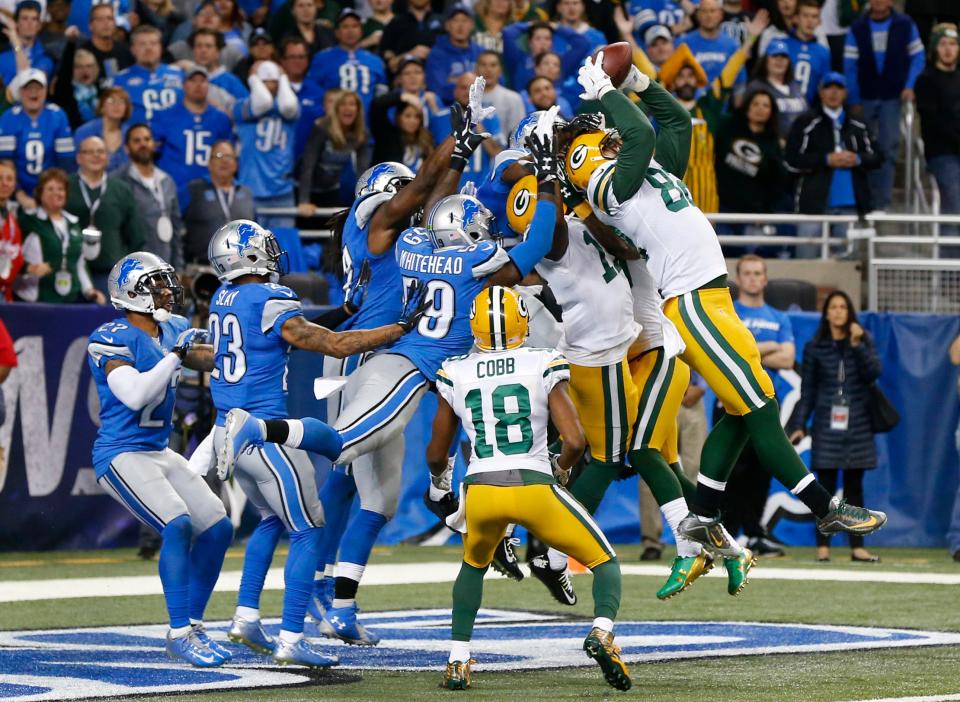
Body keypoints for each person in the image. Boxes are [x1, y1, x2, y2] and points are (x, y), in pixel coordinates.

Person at [219, 103, 558, 646]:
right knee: (339, 471)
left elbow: (433, 198)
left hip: (393, 348)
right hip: (367, 351)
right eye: (404, 200)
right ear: (384, 199)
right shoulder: (378, 229)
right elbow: (427, 190)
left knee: (379, 497)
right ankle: (316, 590)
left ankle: (342, 600)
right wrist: (460, 146)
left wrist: (461, 153)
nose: (416, 210)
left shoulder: (408, 242)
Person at [567, 50, 887, 561]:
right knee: (759, 406)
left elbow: (675, 122)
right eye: (599, 138)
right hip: (692, 304)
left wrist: (636, 80)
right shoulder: (607, 189)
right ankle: (825, 505)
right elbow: (643, 135)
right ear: (585, 161)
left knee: (745, 407)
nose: (610, 134)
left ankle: (704, 513)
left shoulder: (641, 172)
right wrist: (609, 92)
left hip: (714, 299)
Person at [204, 219, 427, 665]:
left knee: (270, 521)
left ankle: (246, 617)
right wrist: (398, 329)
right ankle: (291, 638)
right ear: (247, 256)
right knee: (309, 529)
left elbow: (298, 332)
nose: (272, 253)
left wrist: (347, 308)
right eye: (264, 248)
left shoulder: (223, 297)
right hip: (264, 435)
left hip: (224, 428)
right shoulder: (269, 299)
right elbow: (334, 345)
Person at [511, 167, 732, 600]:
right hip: (614, 356)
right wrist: (557, 187)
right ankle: (700, 543)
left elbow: (620, 240)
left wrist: (572, 193)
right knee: (623, 457)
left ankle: (713, 541)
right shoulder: (577, 228)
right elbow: (558, 235)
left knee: (624, 456)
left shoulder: (616, 222)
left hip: (644, 356)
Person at [426, 285, 630, 693]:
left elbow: (436, 451)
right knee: (604, 562)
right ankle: (602, 632)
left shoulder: (456, 369)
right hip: (532, 483)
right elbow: (574, 439)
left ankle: (457, 659)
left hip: (482, 490)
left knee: (473, 566)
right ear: (523, 321)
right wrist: (562, 469)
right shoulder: (543, 360)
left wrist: (439, 482)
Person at [86, 251, 232, 664]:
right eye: (158, 285)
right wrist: (177, 356)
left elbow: (209, 357)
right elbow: (134, 393)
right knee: (178, 523)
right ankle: (178, 632)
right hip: (120, 453)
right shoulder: (111, 335)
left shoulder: (174, 330)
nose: (168, 292)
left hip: (157, 450)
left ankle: (195, 626)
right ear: (134, 293)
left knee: (218, 526)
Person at [788, 291, 883, 563]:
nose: (839, 312)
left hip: (859, 423)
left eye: (844, 307)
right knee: (825, 486)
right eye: (834, 307)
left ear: (850, 312)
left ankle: (858, 547)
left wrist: (857, 344)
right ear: (827, 313)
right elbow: (809, 390)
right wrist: (799, 424)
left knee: (855, 487)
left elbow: (874, 373)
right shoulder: (815, 346)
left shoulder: (863, 340)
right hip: (826, 424)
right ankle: (823, 547)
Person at [721, 255, 795, 557]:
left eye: (758, 273)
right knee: (730, 470)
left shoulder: (780, 317)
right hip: (732, 402)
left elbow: (788, 358)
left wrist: (750, 351)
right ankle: (725, 533)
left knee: (762, 470)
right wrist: (768, 347)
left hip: (766, 402)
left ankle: (754, 534)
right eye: (747, 273)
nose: (753, 278)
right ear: (738, 279)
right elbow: (728, 353)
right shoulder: (728, 312)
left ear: (765, 279)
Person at [785, 72, 881, 256]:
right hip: (812, 205)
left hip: (850, 207)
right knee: (806, 261)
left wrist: (857, 159)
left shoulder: (859, 124)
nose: (833, 93)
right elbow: (791, 160)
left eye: (839, 88)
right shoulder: (806, 122)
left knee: (849, 268)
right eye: (828, 87)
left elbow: (878, 157)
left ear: (845, 93)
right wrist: (826, 159)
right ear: (820, 92)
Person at [842, 0, 925, 211]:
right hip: (866, 98)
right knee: (862, 150)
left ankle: (883, 204)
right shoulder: (857, 26)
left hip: (892, 97)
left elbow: (918, 58)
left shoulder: (905, 24)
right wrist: (854, 100)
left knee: (888, 149)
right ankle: (865, 203)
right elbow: (849, 66)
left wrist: (910, 85)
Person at [66, 136, 144, 292]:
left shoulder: (121, 189)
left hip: (110, 275)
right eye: (89, 152)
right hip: (71, 272)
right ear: (79, 158)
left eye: (100, 151)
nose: (96, 156)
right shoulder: (65, 186)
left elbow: (136, 235)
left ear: (107, 157)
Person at [16, 168, 104, 304]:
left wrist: (90, 290)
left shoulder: (73, 222)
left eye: (61, 189)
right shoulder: (28, 220)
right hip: (34, 300)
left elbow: (79, 263)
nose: (56, 193)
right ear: (40, 193)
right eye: (50, 189)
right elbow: (12, 255)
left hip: (69, 300)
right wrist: (29, 268)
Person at [152, 65, 234, 206]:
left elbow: (228, 155)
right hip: (173, 191)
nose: (198, 85)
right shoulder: (164, 116)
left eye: (202, 81)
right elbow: (153, 155)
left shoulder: (221, 119)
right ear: (183, 85)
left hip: (211, 193)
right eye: (193, 80)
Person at [234, 60, 299, 231]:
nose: (270, 85)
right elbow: (262, 103)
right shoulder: (241, 106)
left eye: (274, 81)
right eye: (265, 81)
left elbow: (289, 106)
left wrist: (284, 77)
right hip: (251, 189)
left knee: (282, 246)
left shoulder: (289, 104)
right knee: (249, 249)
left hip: (282, 190)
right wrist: (254, 79)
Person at [714, 86, 788, 234]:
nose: (760, 109)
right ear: (747, 107)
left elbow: (776, 183)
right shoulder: (727, 127)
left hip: (753, 214)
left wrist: (767, 213)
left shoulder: (773, 143)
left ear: (771, 112)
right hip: (722, 208)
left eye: (765, 105)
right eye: (755, 104)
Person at [0, 68, 75, 208]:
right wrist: (18, 193)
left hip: (50, 191)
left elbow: (66, 162)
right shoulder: (9, 117)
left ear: (46, 90)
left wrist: (54, 192)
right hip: (16, 193)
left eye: (38, 88)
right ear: (20, 92)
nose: (33, 93)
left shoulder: (58, 115)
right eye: (28, 88)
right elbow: (6, 162)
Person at [118, 124, 185, 271]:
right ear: (126, 148)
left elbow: (176, 229)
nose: (143, 144)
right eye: (137, 141)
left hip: (164, 266)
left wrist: (178, 268)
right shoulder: (118, 181)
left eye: (147, 139)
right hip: (133, 268)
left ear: (153, 144)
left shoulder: (167, 181)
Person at [916, 23, 960, 238]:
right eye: (943, 44)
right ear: (934, 48)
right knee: (955, 207)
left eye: (953, 44)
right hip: (943, 154)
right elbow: (935, 122)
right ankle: (950, 270)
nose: (948, 49)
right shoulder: (926, 80)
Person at [183, 140, 255, 264]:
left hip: (239, 268)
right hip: (201, 268)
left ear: (236, 164)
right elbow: (176, 226)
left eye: (228, 157)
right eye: (218, 156)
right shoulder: (193, 190)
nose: (224, 161)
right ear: (209, 163)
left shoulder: (246, 194)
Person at [426, 73, 503, 188]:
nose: (468, 93)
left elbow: (497, 153)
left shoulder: (491, 117)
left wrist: (476, 121)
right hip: (448, 188)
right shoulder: (438, 119)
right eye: (463, 88)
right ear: (455, 91)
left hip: (481, 190)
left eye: (473, 89)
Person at [298, 90, 370, 210]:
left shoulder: (361, 134)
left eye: (352, 104)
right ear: (336, 109)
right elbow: (308, 165)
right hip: (307, 189)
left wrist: (365, 200)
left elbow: (362, 170)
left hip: (331, 189)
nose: (347, 108)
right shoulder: (321, 127)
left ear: (358, 109)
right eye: (343, 104)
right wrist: (304, 200)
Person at [306, 9, 386, 114]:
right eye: (345, 26)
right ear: (337, 32)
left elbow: (382, 95)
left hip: (367, 125)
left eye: (355, 26)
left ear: (361, 31)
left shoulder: (375, 61)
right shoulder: (321, 59)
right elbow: (312, 92)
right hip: (332, 123)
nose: (350, 31)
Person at [110, 25, 183, 123]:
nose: (148, 48)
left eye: (153, 43)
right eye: (142, 44)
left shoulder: (180, 75)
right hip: (137, 135)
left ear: (160, 48)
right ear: (133, 50)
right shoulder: (120, 80)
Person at [501, 20, 592, 93]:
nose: (543, 42)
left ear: (551, 43)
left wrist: (557, 27)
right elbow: (508, 34)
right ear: (529, 42)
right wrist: (530, 25)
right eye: (538, 38)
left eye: (547, 38)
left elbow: (583, 44)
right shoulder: (518, 60)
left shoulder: (559, 63)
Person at [677, 0, 745, 89]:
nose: (708, 15)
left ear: (721, 14)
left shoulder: (733, 45)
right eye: (704, 11)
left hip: (723, 101)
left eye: (712, 11)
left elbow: (739, 84)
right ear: (698, 15)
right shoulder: (682, 44)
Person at [749, 39, 808, 138]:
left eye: (783, 57)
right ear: (766, 60)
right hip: (771, 145)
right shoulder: (756, 87)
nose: (779, 60)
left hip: (798, 145)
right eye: (775, 56)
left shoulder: (796, 87)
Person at [425, 4, 481, 106]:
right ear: (447, 25)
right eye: (455, 20)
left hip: (480, 107)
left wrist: (455, 80)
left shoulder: (480, 52)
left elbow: (495, 82)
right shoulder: (437, 54)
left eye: (464, 21)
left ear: (472, 25)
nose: (460, 26)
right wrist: (472, 83)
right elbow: (438, 89)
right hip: (449, 108)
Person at [369, 91, 434, 172]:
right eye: (407, 116)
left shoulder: (426, 141)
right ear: (398, 117)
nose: (412, 121)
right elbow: (377, 105)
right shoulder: (387, 137)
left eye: (417, 116)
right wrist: (402, 96)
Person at [74, 87, 132, 173]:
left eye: (121, 102)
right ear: (102, 106)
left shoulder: (131, 133)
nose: (117, 105)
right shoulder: (85, 132)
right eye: (111, 101)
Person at [190, 28, 249, 111]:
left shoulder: (232, 82)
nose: (203, 50)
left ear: (218, 52)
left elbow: (246, 112)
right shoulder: (183, 78)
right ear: (193, 50)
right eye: (199, 46)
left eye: (208, 46)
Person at [379, 0, 443, 76]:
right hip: (404, 81)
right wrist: (410, 55)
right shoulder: (395, 23)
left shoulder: (444, 22)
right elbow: (390, 65)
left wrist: (433, 54)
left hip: (439, 79)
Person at [784, 0, 830, 103]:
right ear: (796, 18)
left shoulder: (823, 52)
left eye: (814, 17)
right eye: (805, 16)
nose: (810, 21)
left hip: (808, 112)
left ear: (819, 21)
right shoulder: (781, 45)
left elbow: (823, 87)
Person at [0, 1, 54, 85]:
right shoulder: (2, 53)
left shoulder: (46, 56)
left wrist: (17, 44)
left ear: (39, 25)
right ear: (16, 23)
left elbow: (27, 81)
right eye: (25, 18)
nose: (30, 23)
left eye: (34, 19)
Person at [52, 44, 103, 130]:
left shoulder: (101, 90)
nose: (85, 71)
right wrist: (71, 43)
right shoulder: (65, 91)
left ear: (96, 68)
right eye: (79, 67)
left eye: (89, 66)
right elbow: (65, 70)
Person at [476, 49, 525, 139]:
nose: (488, 69)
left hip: (502, 151)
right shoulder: (466, 97)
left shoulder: (514, 98)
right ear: (476, 69)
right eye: (483, 65)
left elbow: (518, 137)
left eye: (493, 65)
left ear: (500, 70)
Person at [78, 1, 133, 80]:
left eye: (109, 18)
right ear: (90, 26)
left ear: (114, 23)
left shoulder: (125, 51)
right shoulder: (82, 54)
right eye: (100, 19)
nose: (106, 23)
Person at [0, 160, 23, 301]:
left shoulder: (10, 218)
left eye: (9, 179)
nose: (5, 183)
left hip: (5, 292)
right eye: (0, 178)